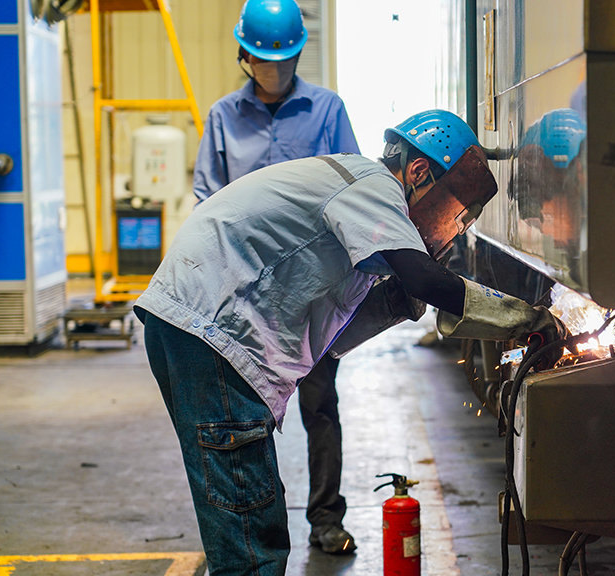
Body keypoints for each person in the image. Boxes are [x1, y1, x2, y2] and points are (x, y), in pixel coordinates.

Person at [135, 109, 560, 576]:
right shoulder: (373, 188)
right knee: (251, 543)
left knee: (251, 520)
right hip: (213, 332)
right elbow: (424, 278)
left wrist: (399, 300)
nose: (455, 230)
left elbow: (336, 337)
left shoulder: (357, 210)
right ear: (419, 172)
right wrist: (527, 320)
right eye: (456, 214)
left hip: (200, 330)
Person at [192, 0, 360, 554]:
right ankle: (251, 531)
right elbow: (207, 205)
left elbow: (353, 189)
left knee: (320, 407)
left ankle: (326, 519)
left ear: (298, 55)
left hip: (313, 291)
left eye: (284, 60)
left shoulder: (327, 110)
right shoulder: (223, 117)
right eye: (265, 61)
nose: (275, 70)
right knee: (243, 419)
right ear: (245, 56)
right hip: (244, 298)